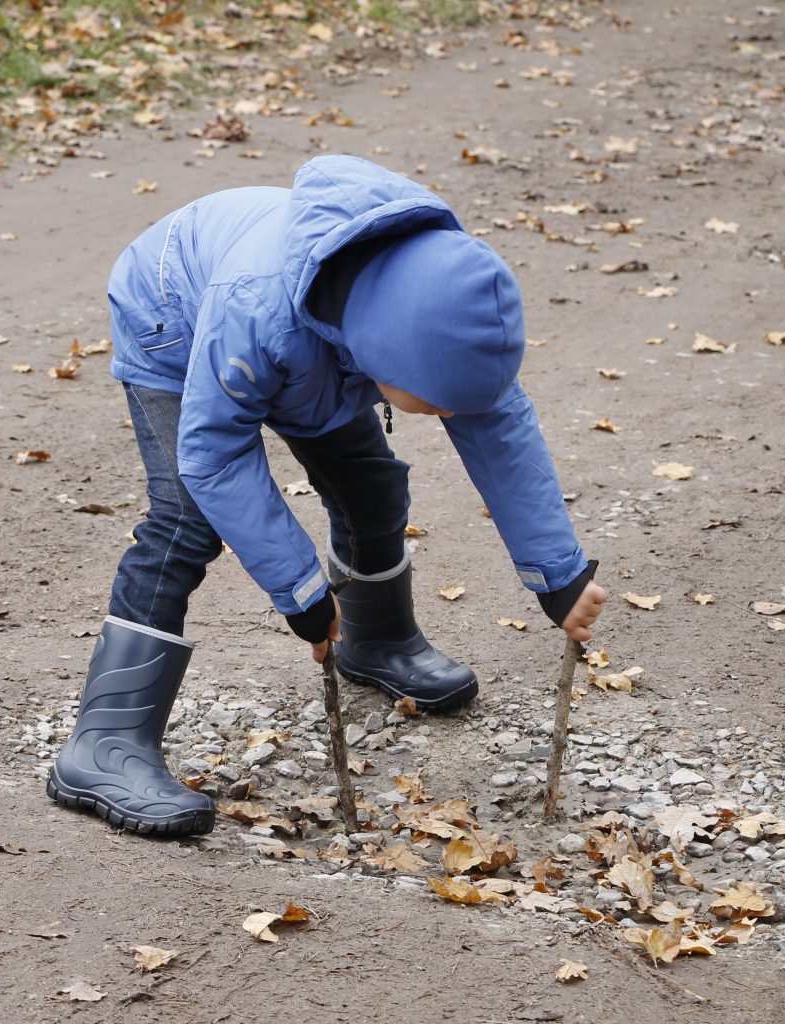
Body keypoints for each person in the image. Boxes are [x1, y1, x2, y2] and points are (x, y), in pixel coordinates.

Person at [47, 155, 607, 837]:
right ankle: (105, 743)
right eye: (433, 403)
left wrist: (558, 574)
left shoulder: (433, 303)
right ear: (385, 353)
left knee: (370, 481)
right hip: (176, 318)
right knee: (185, 519)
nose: (444, 415)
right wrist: (303, 593)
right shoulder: (260, 312)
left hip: (313, 350)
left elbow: (497, 425)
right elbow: (214, 452)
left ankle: (377, 641)